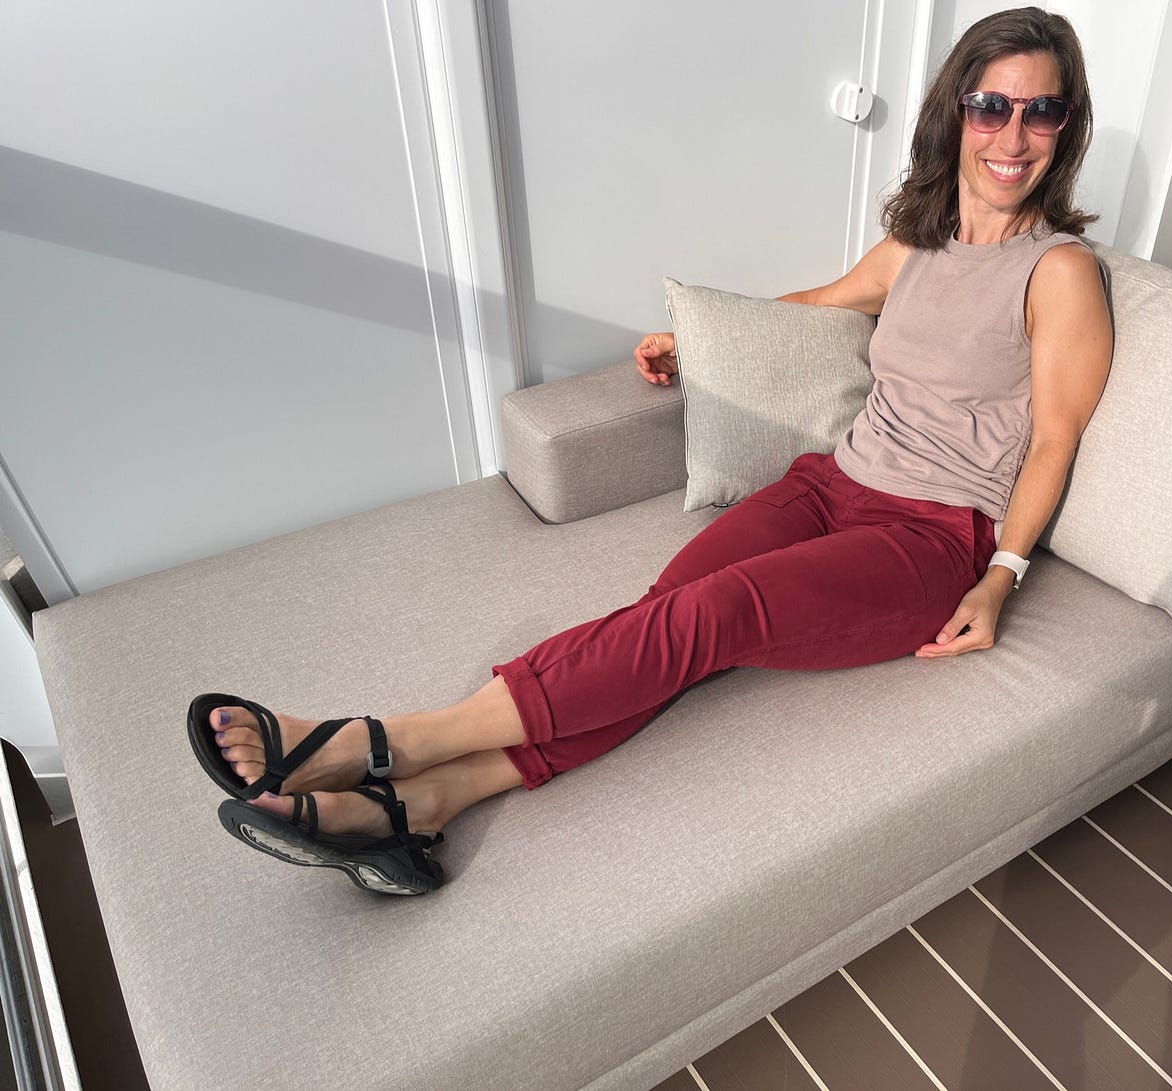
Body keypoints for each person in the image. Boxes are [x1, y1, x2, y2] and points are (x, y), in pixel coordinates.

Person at [191, 5, 1113, 895]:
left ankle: (384, 742)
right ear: (957, 112)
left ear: (1066, 127)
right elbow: (818, 305)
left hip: (928, 537)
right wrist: (696, 342)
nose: (1013, 135)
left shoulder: (1059, 271)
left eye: (1041, 110)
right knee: (664, 616)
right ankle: (425, 806)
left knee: (713, 613)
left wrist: (1000, 579)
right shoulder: (919, 242)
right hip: (831, 486)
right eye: (992, 106)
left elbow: (1054, 440)